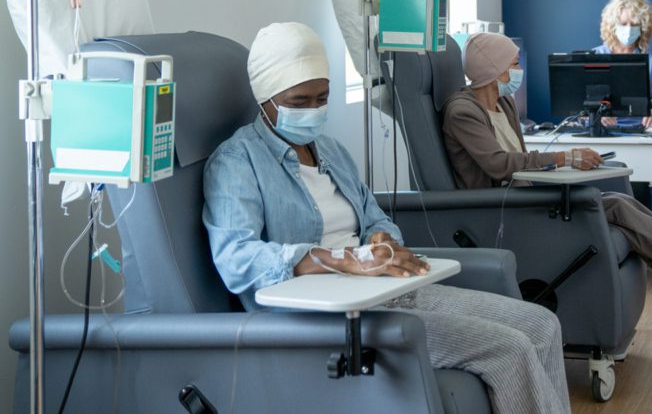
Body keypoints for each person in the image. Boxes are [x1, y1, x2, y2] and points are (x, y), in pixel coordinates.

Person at [202, 22, 570, 414]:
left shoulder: (331, 151)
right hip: (323, 318)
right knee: (508, 349)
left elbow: (375, 217)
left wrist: (381, 242)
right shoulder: (236, 162)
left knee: (541, 325)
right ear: (266, 99)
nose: (313, 110)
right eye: (299, 101)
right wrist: (337, 259)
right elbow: (236, 259)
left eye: (322, 98)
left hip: (382, 291)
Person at [443, 32, 652, 315]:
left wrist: (562, 161)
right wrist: (565, 156)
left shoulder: (504, 103)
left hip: (525, 198)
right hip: (502, 210)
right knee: (615, 205)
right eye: (513, 64)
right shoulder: (463, 111)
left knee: (620, 202)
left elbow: (520, 161)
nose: (518, 71)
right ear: (494, 69)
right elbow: (498, 164)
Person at [593, 0, 652, 128]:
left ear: (643, 27)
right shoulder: (595, 56)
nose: (629, 29)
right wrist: (597, 116)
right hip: (603, 132)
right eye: (623, 24)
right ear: (612, 25)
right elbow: (581, 110)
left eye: (635, 24)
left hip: (642, 131)